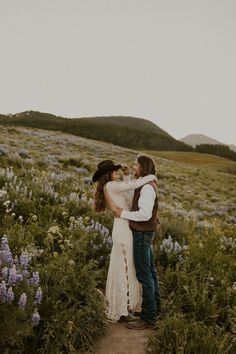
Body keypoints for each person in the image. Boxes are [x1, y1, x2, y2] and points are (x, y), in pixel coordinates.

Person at [92, 160, 157, 323]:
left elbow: (128, 197)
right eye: (115, 170)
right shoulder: (111, 186)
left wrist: (127, 175)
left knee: (127, 268)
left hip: (125, 226)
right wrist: (151, 176)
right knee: (125, 268)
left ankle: (125, 306)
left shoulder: (113, 186)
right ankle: (121, 309)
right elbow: (133, 187)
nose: (117, 172)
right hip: (122, 228)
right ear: (109, 174)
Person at [112, 155, 161, 330]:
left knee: (144, 275)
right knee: (151, 273)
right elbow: (133, 195)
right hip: (145, 234)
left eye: (136, 165)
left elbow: (144, 214)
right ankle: (155, 310)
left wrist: (122, 214)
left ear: (143, 167)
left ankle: (148, 318)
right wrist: (127, 176)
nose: (133, 167)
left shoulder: (147, 188)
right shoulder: (144, 184)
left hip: (142, 235)